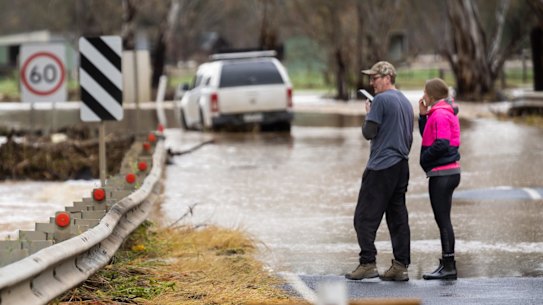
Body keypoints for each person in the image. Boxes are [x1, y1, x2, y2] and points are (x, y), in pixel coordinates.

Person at [345, 61, 414, 281]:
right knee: (397, 217)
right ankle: (401, 266)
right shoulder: (404, 100)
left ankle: (367, 263)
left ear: (387, 78)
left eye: (375, 78)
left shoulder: (381, 101)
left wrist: (369, 113)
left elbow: (368, 132)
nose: (371, 82)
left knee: (363, 217)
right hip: (402, 165)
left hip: (381, 166)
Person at [418, 78, 461, 280]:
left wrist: (424, 159)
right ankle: (446, 263)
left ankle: (449, 266)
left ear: (432, 95)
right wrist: (422, 116)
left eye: (425, 92)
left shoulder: (442, 114)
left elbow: (442, 144)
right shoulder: (437, 113)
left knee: (443, 219)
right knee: (442, 219)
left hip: (443, 173)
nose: (423, 96)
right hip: (443, 172)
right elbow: (428, 135)